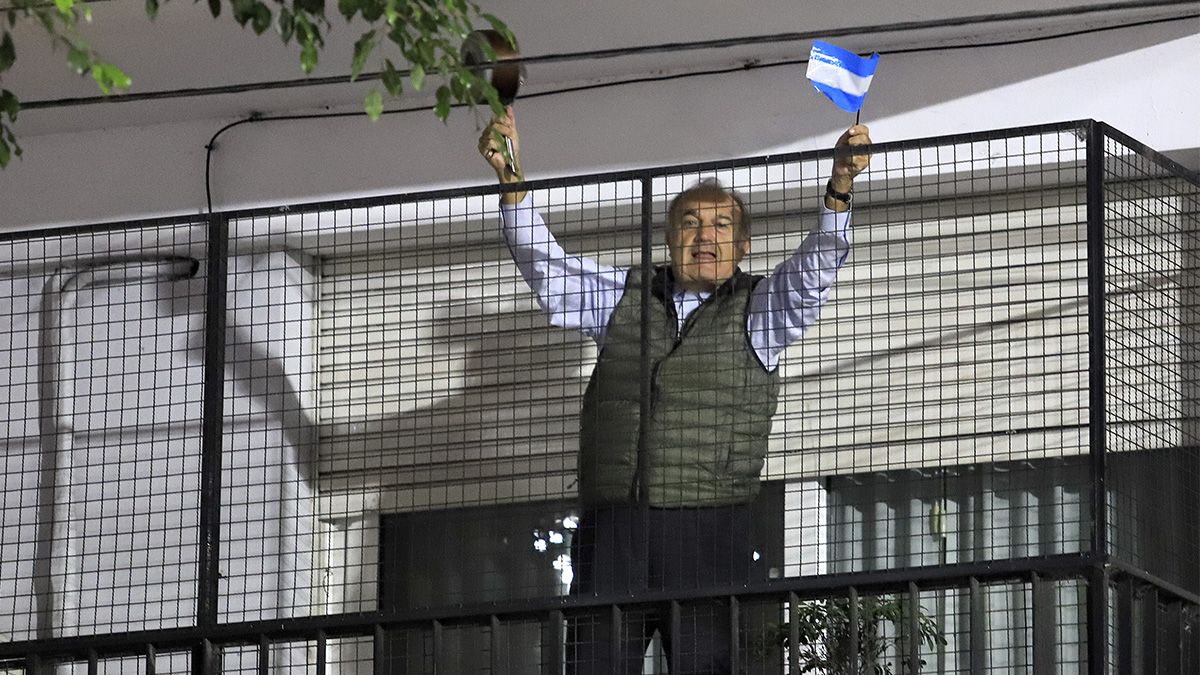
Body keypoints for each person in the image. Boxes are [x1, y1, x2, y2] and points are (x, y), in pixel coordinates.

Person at [479, 107, 870, 674]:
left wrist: (838, 189)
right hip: (613, 529)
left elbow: (813, 272)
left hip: (707, 532)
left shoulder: (760, 308)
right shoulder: (625, 292)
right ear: (668, 239)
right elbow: (549, 270)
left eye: (720, 227)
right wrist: (512, 182)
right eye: (690, 224)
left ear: (743, 246)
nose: (705, 238)